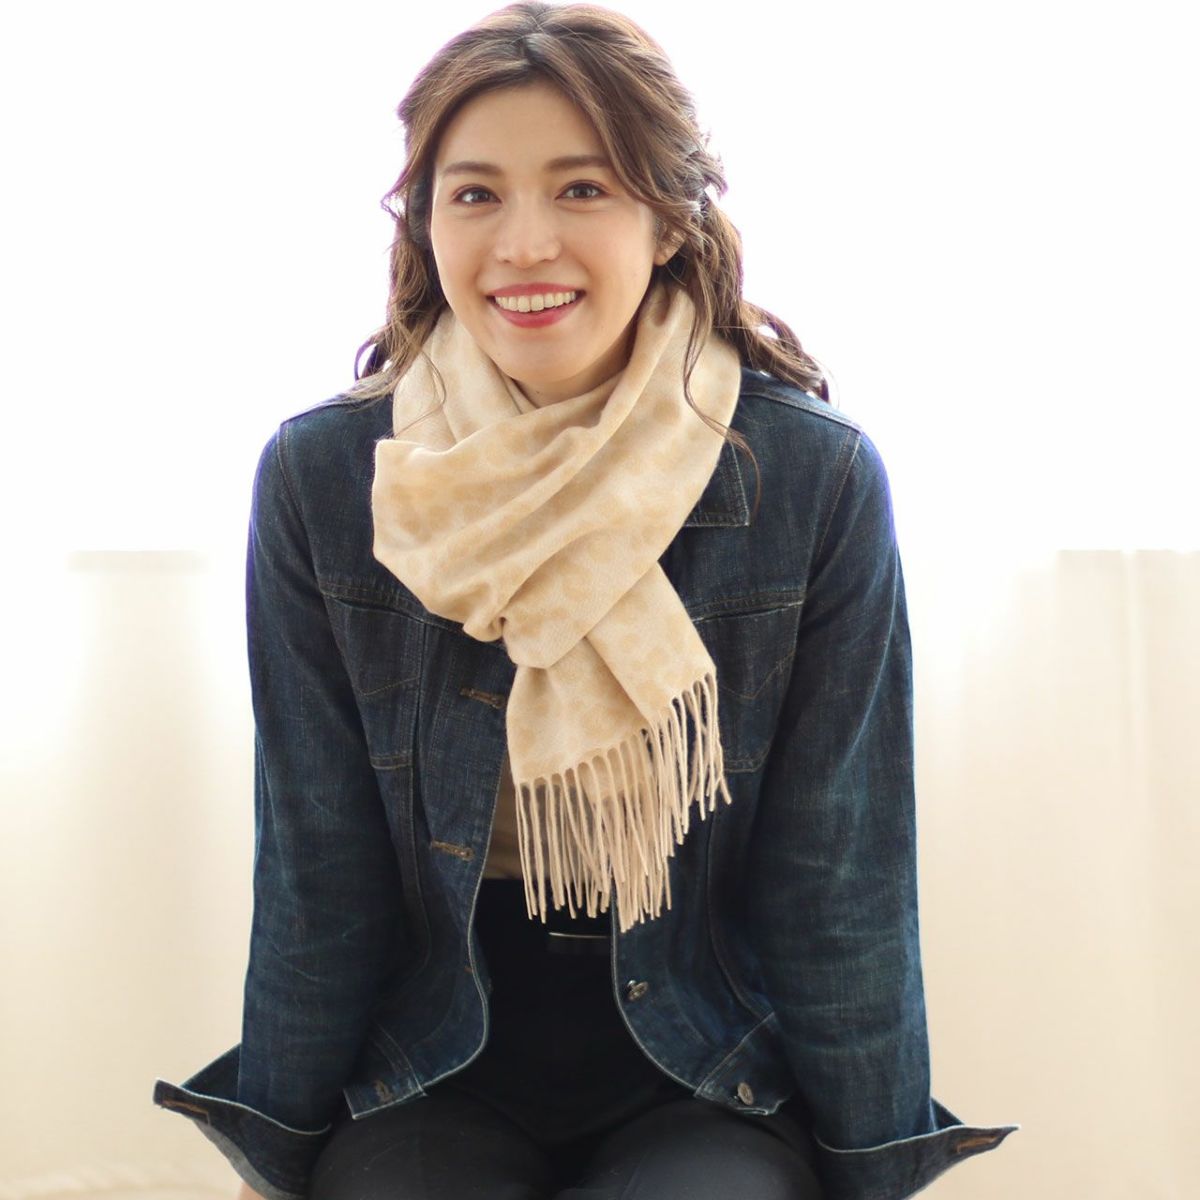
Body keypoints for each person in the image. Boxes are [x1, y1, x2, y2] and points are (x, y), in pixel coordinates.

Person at [153, 4, 1015, 1198]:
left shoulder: (810, 477)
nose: (523, 244)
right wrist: (278, 1158)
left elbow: (838, 873)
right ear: (424, 223)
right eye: (475, 194)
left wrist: (870, 1164)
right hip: (433, 1066)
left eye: (582, 189)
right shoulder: (328, 478)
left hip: (707, 1065)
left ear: (668, 218)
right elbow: (318, 864)